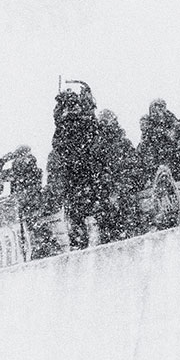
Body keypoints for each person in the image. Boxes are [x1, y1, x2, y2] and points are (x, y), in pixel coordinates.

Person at [49, 82, 102, 249]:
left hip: (77, 173)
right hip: (83, 172)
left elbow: (58, 144)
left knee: (78, 211)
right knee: (88, 208)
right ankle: (88, 238)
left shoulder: (67, 125)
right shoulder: (83, 122)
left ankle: (80, 241)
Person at [0, 145, 56, 258]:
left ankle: (41, 249)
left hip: (27, 207)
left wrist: (3, 160)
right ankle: (45, 247)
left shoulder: (17, 173)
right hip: (34, 206)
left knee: (32, 231)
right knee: (37, 229)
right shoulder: (34, 170)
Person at [91, 109, 145, 243]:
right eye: (104, 121)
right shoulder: (99, 147)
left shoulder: (122, 143)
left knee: (125, 204)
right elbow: (97, 173)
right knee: (107, 211)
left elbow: (135, 165)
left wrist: (126, 182)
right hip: (109, 190)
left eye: (108, 120)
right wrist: (108, 187)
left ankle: (126, 231)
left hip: (123, 186)